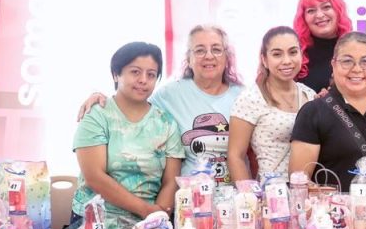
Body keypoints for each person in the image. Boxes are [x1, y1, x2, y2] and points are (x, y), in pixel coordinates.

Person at [78, 25, 244, 185]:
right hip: (189, 197)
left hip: (237, 197)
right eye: (200, 50)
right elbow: (133, 102)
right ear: (188, 58)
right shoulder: (169, 94)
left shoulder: (243, 97)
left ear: (227, 57)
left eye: (216, 49)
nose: (209, 56)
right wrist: (99, 96)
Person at [72, 41, 184, 229]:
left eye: (151, 75)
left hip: (147, 225)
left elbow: (170, 181)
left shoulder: (166, 123)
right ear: (116, 74)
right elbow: (94, 177)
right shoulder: (97, 115)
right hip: (96, 222)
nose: (143, 80)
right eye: (135, 72)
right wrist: (146, 211)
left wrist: (158, 218)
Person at [289, 32, 366, 190]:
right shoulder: (313, 112)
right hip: (334, 205)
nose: (356, 69)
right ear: (333, 64)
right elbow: (298, 182)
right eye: (347, 61)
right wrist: (326, 196)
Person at [228, 26, 317, 181]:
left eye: (293, 52)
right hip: (270, 190)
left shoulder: (309, 95)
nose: (287, 61)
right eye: (277, 54)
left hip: (307, 190)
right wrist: (248, 193)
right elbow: (235, 156)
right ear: (264, 59)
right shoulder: (250, 98)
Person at [293, 0, 353, 93]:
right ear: (303, 17)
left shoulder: (358, 48)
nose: (320, 15)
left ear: (338, 10)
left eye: (326, 7)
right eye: (311, 10)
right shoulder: (294, 53)